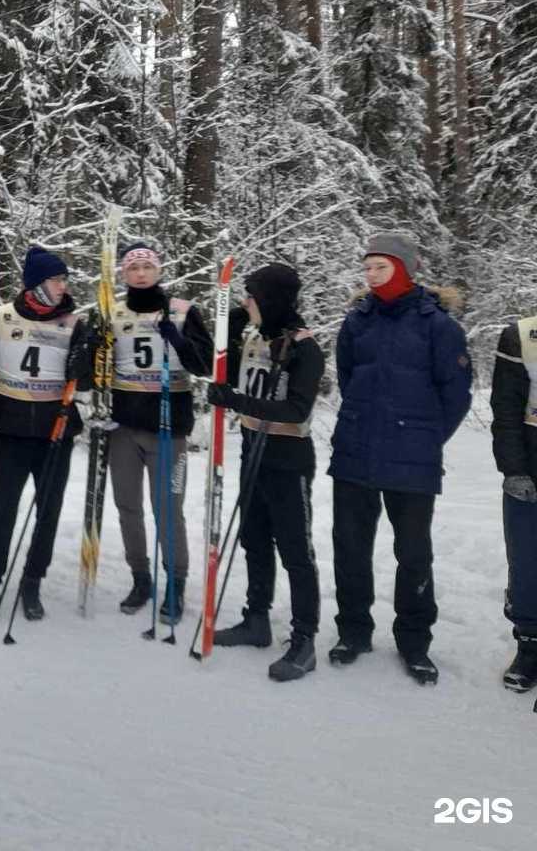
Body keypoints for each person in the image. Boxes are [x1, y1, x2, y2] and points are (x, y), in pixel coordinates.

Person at [328, 234, 471, 685]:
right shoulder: (357, 321)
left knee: (413, 553)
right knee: (350, 547)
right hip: (355, 452)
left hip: (413, 459)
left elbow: (456, 395)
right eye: (368, 267)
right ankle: (353, 631)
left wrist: (423, 438)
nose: (371, 275)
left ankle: (414, 640)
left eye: (381, 267)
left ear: (405, 269)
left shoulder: (438, 326)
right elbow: (348, 378)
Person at [205, 264, 325, 682]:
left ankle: (304, 639)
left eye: (251, 297)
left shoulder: (304, 347)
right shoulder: (255, 336)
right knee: (254, 539)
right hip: (252, 447)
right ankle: (256, 619)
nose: (246, 302)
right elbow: (216, 357)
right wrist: (233, 318)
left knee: (295, 550)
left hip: (288, 457)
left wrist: (236, 401)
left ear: (271, 300)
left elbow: (296, 409)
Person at [0, 247, 91, 632]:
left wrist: (86, 358)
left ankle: (33, 580)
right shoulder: (1, 317)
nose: (63, 286)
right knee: (4, 511)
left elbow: (88, 379)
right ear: (36, 284)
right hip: (13, 432)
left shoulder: (73, 323)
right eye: (56, 280)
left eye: (64, 280)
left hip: (56, 433)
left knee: (48, 513)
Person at [108, 241, 214, 624]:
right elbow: (97, 365)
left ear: (158, 271)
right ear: (124, 273)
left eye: (147, 267)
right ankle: (141, 577)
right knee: (127, 507)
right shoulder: (113, 312)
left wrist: (179, 342)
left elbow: (206, 365)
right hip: (124, 427)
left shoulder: (182, 311)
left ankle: (176, 582)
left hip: (169, 428)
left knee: (168, 508)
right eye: (133, 268)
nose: (140, 274)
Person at [492, 310, 537, 694]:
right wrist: (514, 469)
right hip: (531, 466)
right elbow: (505, 410)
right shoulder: (522, 335)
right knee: (527, 561)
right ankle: (530, 645)